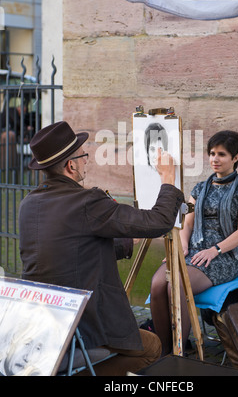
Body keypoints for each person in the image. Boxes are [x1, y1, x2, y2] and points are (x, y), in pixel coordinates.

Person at [18, 121, 184, 376]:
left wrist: (127, 240)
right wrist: (168, 179)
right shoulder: (87, 201)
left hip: (42, 320)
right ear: (71, 165)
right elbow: (159, 222)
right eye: (83, 156)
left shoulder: (29, 203)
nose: (86, 161)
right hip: (83, 321)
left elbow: (70, 247)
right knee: (152, 347)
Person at [150, 130, 238, 356]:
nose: (215, 159)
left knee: (176, 284)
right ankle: (164, 349)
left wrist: (215, 249)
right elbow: (186, 224)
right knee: (157, 283)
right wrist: (182, 246)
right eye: (211, 153)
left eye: (222, 154)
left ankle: (178, 352)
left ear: (236, 157)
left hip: (224, 257)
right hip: (195, 252)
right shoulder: (199, 188)